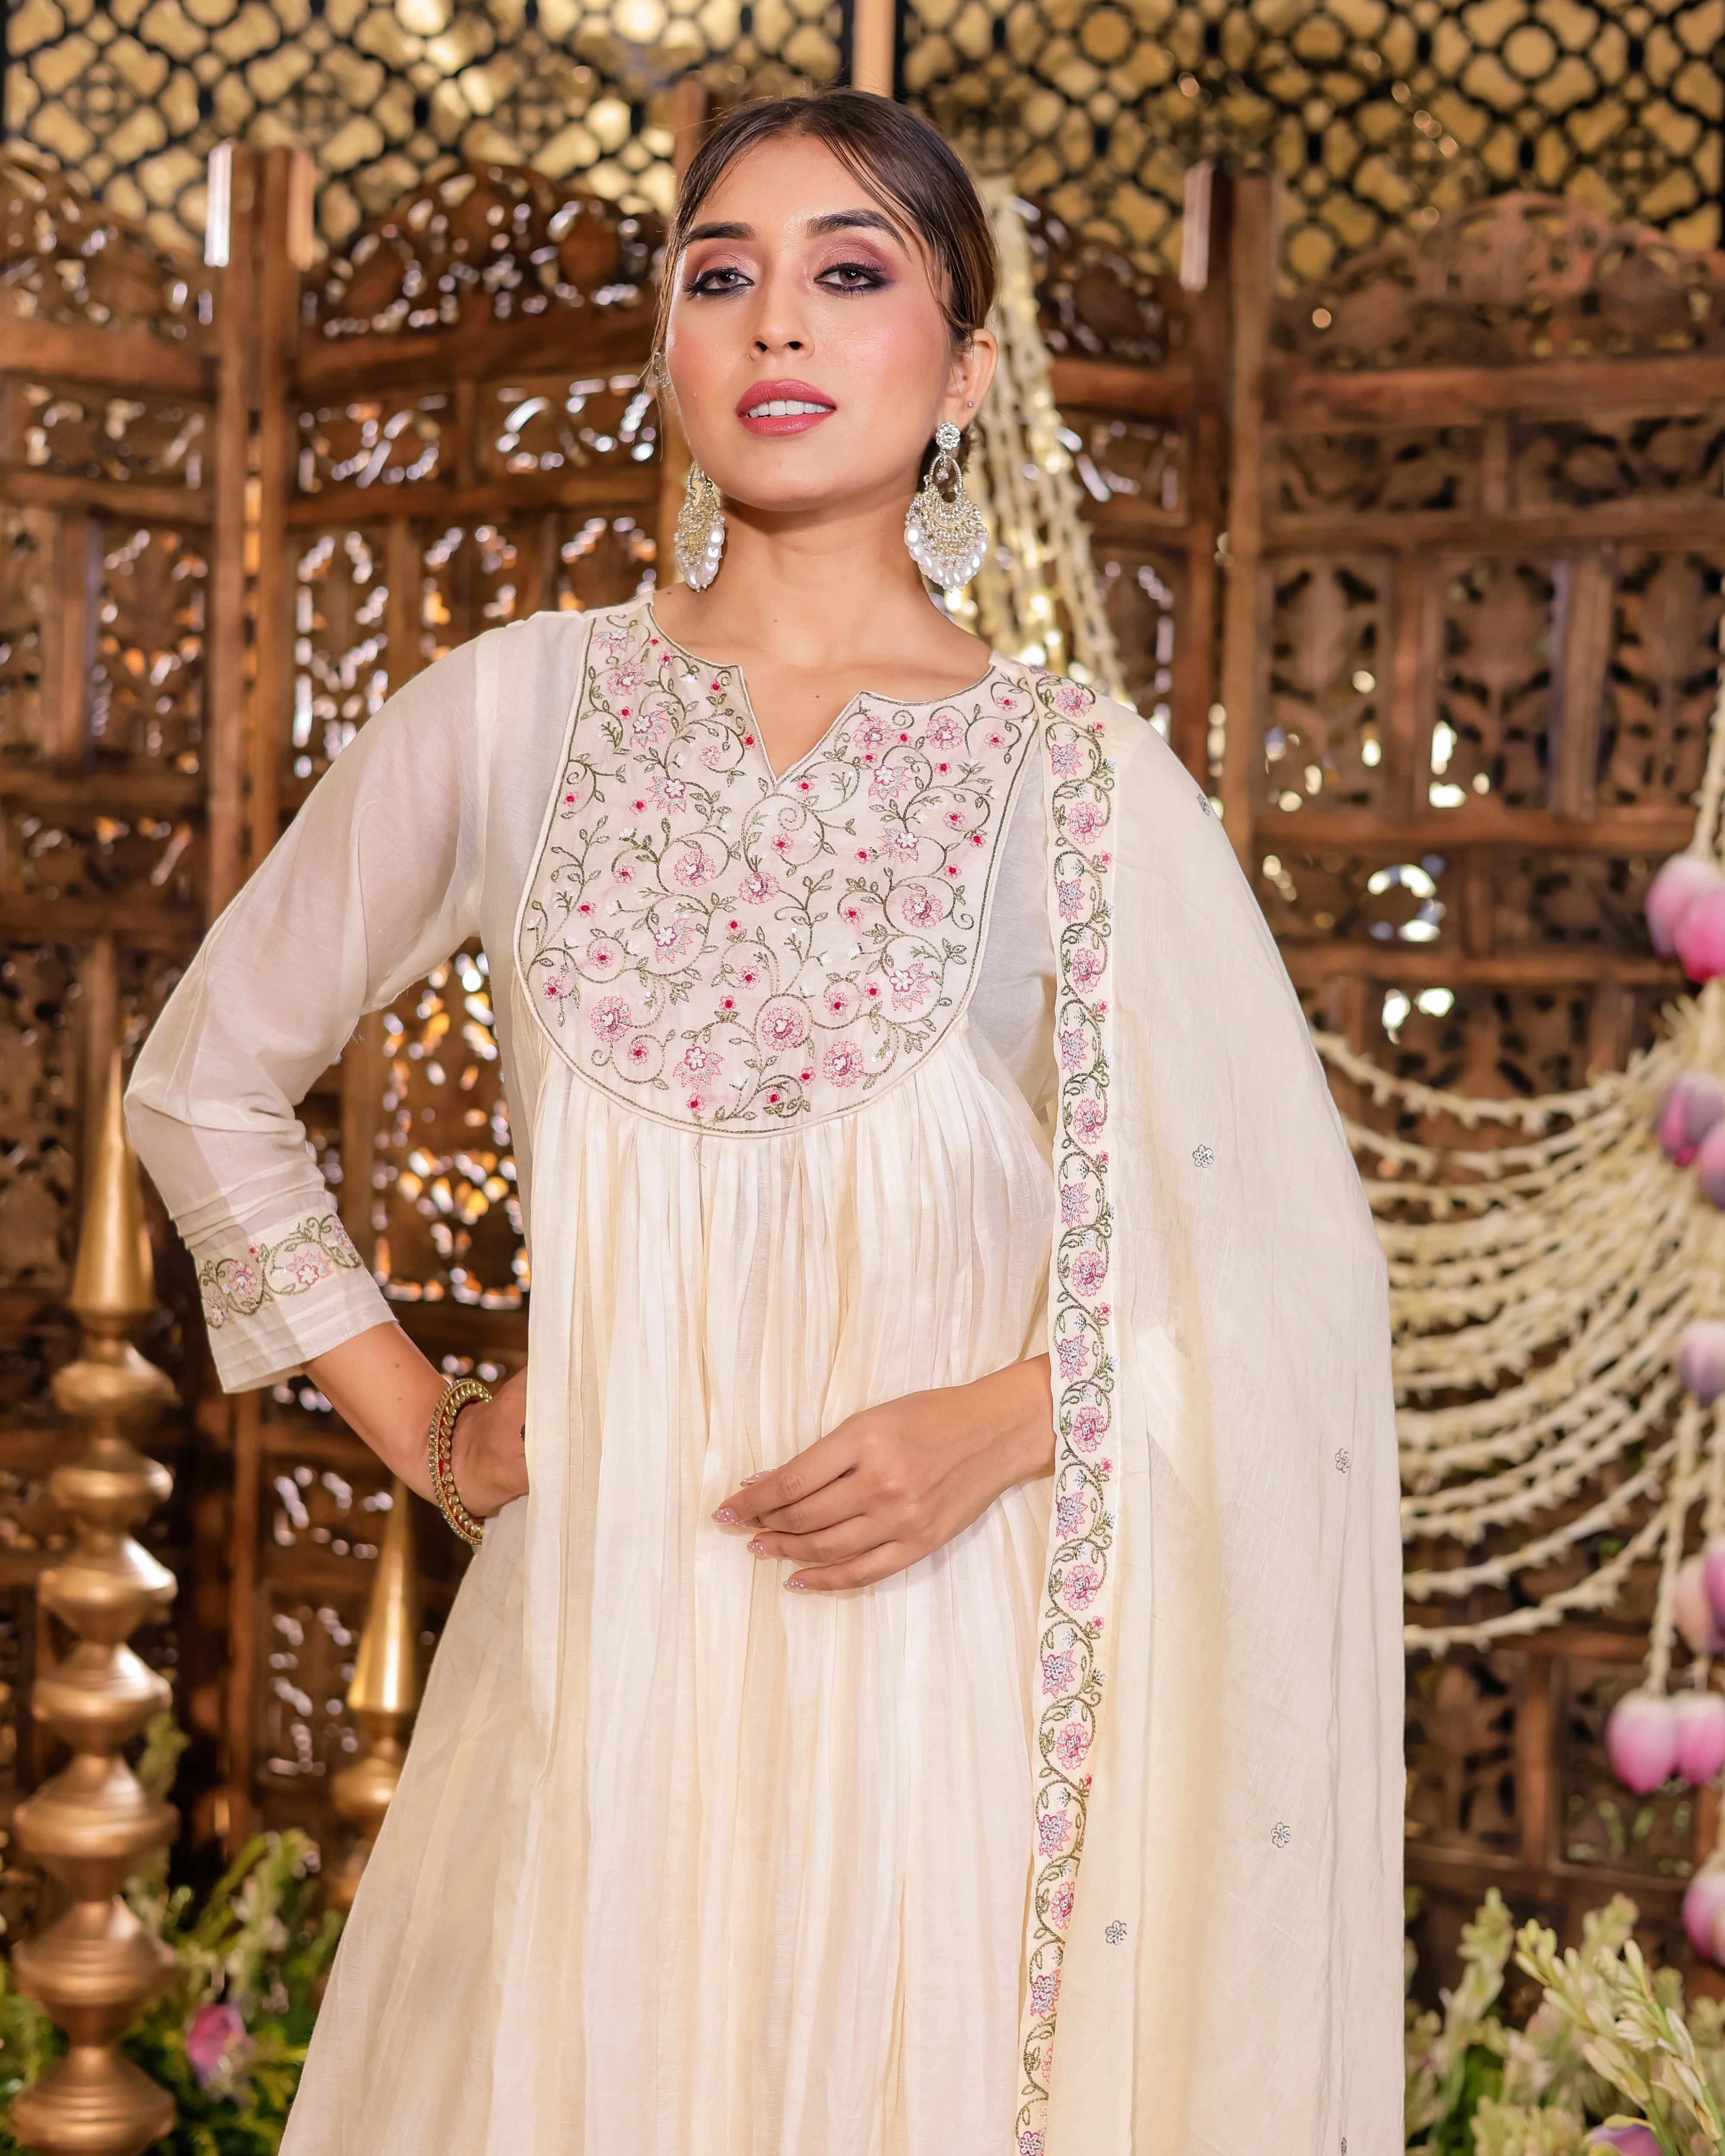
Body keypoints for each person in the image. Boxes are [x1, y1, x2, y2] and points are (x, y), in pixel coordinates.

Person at [127, 88, 1403, 2156]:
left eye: (850, 274)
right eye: (720, 277)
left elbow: (1287, 1286)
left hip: (944, 1704)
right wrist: (431, 1430)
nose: (776, 328)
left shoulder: (1075, 787)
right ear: (664, 350)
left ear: (965, 368)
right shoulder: (512, 713)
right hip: (597, 1687)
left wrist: (1001, 1419)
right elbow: (201, 1078)